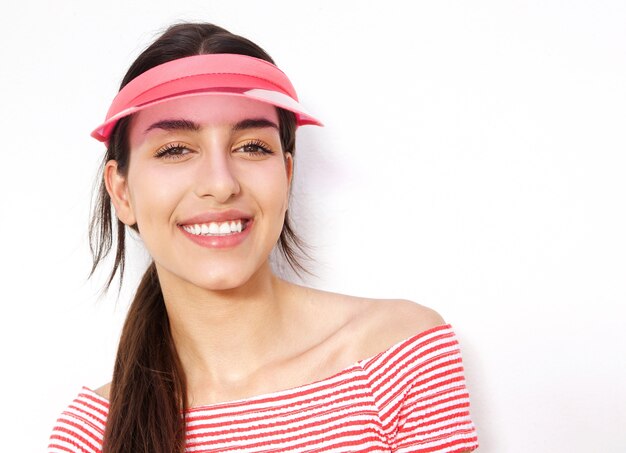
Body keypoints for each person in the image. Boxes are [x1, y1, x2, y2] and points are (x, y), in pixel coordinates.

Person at [47, 22, 478, 453]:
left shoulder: (399, 357)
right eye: (175, 149)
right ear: (121, 192)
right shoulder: (91, 434)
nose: (220, 183)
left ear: (287, 175)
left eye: (252, 146)